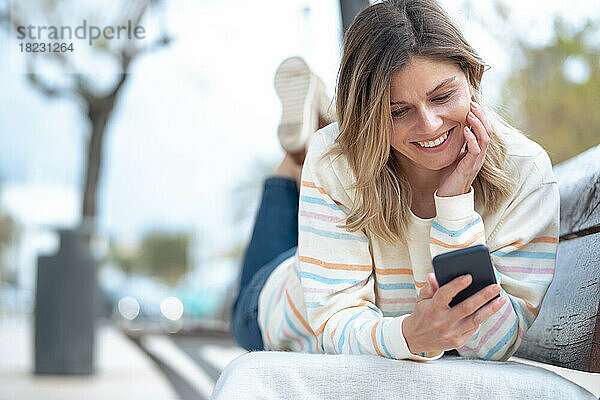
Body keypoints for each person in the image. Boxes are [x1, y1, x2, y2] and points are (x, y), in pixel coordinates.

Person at [231, 0, 559, 362]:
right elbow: (335, 321)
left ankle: (314, 129)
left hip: (344, 261)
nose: (430, 125)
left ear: (472, 76)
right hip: (290, 305)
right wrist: (410, 335)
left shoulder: (525, 170)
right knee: (243, 310)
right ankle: (295, 158)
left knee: (324, 164)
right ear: (369, 113)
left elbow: (494, 346)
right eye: (399, 111)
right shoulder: (334, 160)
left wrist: (454, 206)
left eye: (443, 96)